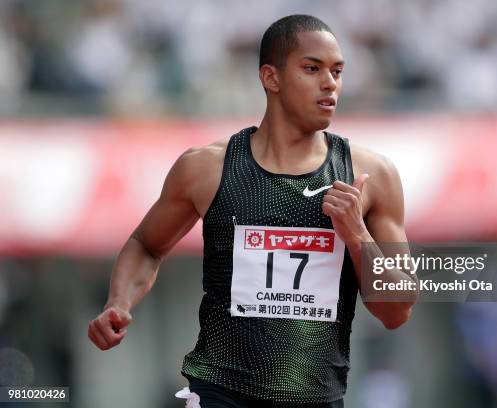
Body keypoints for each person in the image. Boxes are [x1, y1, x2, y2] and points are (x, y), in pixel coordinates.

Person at [88, 14, 416, 408]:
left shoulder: (370, 176)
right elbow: (147, 243)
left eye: (337, 71)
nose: (330, 83)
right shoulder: (207, 169)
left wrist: (356, 234)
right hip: (219, 394)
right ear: (270, 78)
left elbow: (397, 310)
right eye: (312, 69)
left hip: (316, 398)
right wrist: (118, 302)